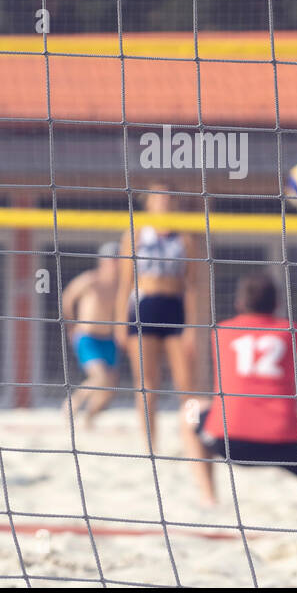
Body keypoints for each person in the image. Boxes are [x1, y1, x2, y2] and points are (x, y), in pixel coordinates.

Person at [188, 273, 297, 507]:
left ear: (239, 303)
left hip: (228, 440)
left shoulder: (220, 332)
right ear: (277, 304)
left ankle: (208, 496)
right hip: (284, 441)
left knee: (190, 410)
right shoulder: (295, 332)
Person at [113, 183, 209, 453]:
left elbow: (191, 286)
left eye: (168, 197)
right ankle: (149, 443)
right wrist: (120, 322)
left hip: (173, 308)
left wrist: (191, 327)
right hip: (143, 306)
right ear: (149, 203)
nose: (163, 202)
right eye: (158, 197)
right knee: (147, 383)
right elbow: (125, 283)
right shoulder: (135, 235)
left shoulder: (185, 238)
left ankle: (193, 434)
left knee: (186, 383)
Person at [62, 242, 121, 427]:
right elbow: (67, 299)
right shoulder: (90, 280)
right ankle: (72, 404)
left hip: (109, 339)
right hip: (87, 338)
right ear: (103, 261)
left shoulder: (120, 285)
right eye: (112, 260)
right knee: (100, 377)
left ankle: (89, 420)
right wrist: (71, 326)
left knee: (109, 387)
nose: (115, 264)